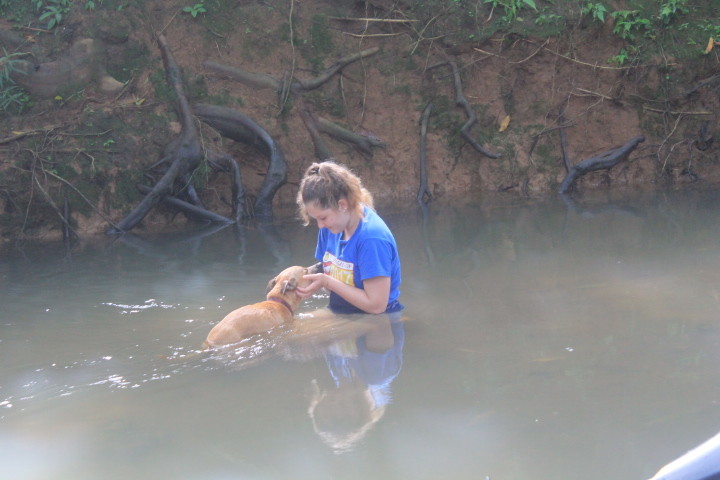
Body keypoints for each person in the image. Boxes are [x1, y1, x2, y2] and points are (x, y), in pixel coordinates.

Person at [295, 160, 404, 315]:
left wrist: (327, 282)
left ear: (343, 205)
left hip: (377, 319)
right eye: (316, 219)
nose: (320, 225)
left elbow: (377, 306)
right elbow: (325, 269)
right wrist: (297, 279)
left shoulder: (372, 239)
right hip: (342, 311)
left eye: (323, 218)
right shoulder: (332, 227)